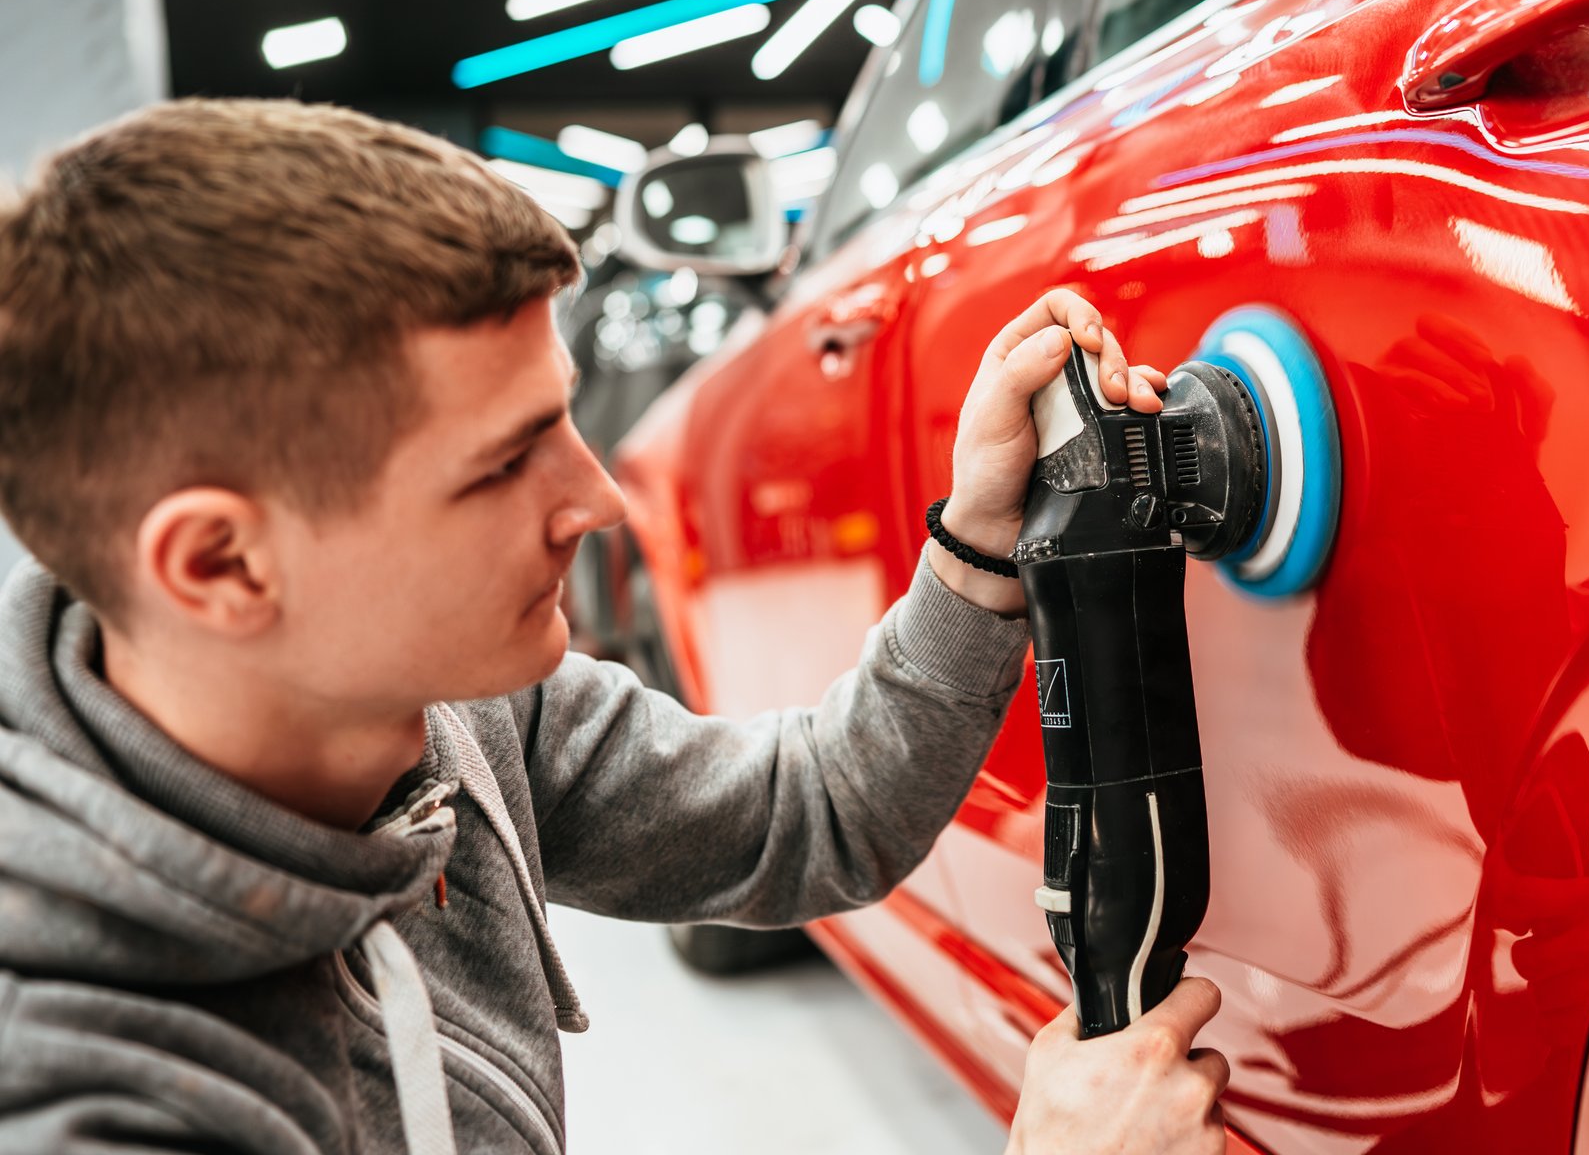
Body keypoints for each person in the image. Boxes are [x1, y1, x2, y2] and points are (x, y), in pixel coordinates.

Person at [0, 100, 1229, 1155]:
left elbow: (814, 813)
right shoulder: (89, 1089)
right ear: (219, 562)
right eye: (501, 463)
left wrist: (974, 546)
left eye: (564, 419)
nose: (602, 499)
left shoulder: (449, 711)